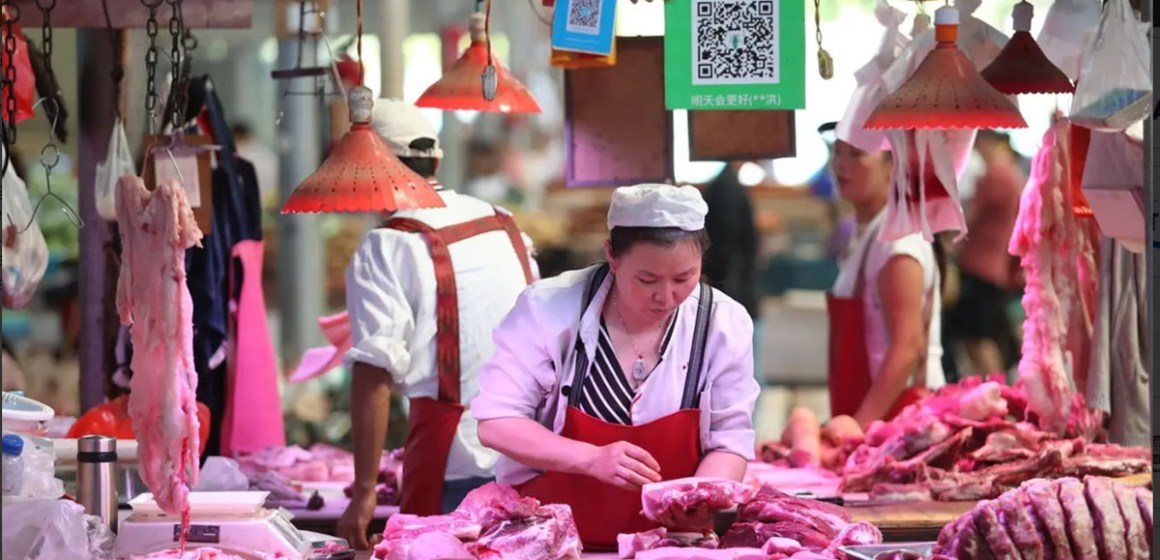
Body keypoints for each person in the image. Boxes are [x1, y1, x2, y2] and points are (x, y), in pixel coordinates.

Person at [471, 184, 760, 549]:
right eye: (647, 279)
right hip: (546, 544)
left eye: (684, 278)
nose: (666, 296)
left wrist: (703, 500)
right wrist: (588, 458)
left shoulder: (722, 323)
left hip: (670, 546)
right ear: (612, 254)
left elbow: (729, 440)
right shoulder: (548, 308)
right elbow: (496, 423)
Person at [337, 99, 539, 550]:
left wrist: (365, 491)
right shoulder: (502, 222)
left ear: (368, 168)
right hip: (528, 455)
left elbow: (374, 369)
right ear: (437, 159)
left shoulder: (388, 243)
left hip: (453, 463)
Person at [822, 139, 946, 443]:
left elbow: (906, 348)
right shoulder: (868, 233)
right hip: (876, 411)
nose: (840, 164)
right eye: (837, 152)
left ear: (893, 167)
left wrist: (859, 431)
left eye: (857, 153)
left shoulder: (898, 240)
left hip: (901, 422)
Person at [947, 130, 1024, 378]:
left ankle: (997, 396)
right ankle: (994, 395)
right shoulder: (1011, 174)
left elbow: (971, 217)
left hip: (980, 268)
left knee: (979, 339)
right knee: (982, 338)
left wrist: (949, 241)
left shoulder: (996, 175)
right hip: (995, 267)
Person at [702, 162, 762, 383]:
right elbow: (726, 250)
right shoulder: (728, 189)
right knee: (743, 376)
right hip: (735, 295)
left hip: (734, 293)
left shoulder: (726, 184)